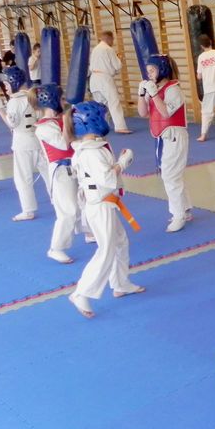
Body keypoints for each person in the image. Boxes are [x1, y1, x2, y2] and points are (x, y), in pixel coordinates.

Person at [67, 100, 142, 318]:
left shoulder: (88, 148)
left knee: (120, 242)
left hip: (102, 203)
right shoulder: (91, 152)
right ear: (92, 121)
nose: (106, 120)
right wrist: (124, 162)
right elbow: (108, 178)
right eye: (103, 116)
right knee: (106, 249)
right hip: (100, 206)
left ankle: (120, 283)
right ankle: (81, 292)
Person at [137, 53, 191, 232]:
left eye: (152, 70)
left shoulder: (173, 89)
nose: (149, 74)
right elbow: (143, 113)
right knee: (172, 175)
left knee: (170, 176)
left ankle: (178, 215)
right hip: (163, 137)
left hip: (174, 135)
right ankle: (184, 209)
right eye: (148, 71)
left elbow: (166, 113)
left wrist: (153, 94)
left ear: (162, 70)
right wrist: (142, 94)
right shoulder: (155, 89)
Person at [33, 84, 81, 264]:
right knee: (68, 210)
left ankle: (88, 231)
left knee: (84, 201)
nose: (64, 102)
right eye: (61, 99)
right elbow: (63, 144)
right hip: (61, 171)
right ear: (51, 101)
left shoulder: (59, 120)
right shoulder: (43, 127)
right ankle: (56, 248)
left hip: (75, 165)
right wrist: (68, 119)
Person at [0, 66, 48, 222]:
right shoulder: (33, 96)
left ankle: (28, 210)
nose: (5, 87)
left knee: (22, 178)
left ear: (13, 82)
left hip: (23, 142)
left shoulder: (15, 101)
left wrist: (0, 109)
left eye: (6, 84)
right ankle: (59, 199)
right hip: (38, 139)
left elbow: (12, 123)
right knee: (49, 173)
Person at [88, 30, 131, 134]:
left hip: (93, 79)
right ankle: (120, 127)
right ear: (109, 38)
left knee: (100, 105)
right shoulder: (108, 49)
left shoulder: (95, 49)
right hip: (104, 78)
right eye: (112, 39)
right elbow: (117, 66)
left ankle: (100, 126)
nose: (113, 42)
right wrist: (119, 59)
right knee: (114, 102)